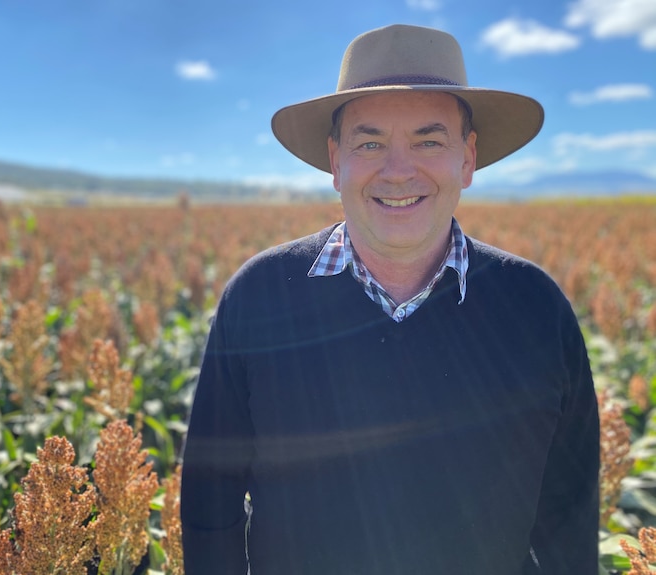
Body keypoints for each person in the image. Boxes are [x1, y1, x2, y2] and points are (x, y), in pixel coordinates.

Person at [180, 23, 599, 575]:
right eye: (370, 142)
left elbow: (569, 517)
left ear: (468, 159)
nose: (398, 171)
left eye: (429, 141)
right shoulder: (258, 298)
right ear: (336, 161)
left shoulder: (537, 309)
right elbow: (211, 503)